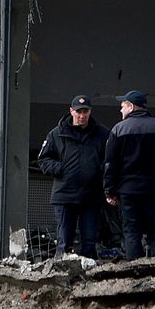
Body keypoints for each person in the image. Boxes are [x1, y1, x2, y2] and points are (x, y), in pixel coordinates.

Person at [102, 90, 155, 259]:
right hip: (154, 189)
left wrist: (110, 190)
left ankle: (134, 273)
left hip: (128, 191)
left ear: (131, 107)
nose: (120, 110)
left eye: (122, 106)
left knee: (131, 232)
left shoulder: (118, 130)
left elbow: (110, 164)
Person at [36, 95, 110, 258]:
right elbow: (43, 160)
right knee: (64, 241)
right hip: (64, 195)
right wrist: (61, 169)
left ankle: (90, 275)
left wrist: (99, 171)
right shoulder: (57, 134)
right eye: (79, 112)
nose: (82, 115)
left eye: (86, 111)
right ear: (71, 111)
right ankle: (61, 272)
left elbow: (110, 160)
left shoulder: (102, 134)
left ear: (90, 112)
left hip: (91, 196)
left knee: (90, 241)